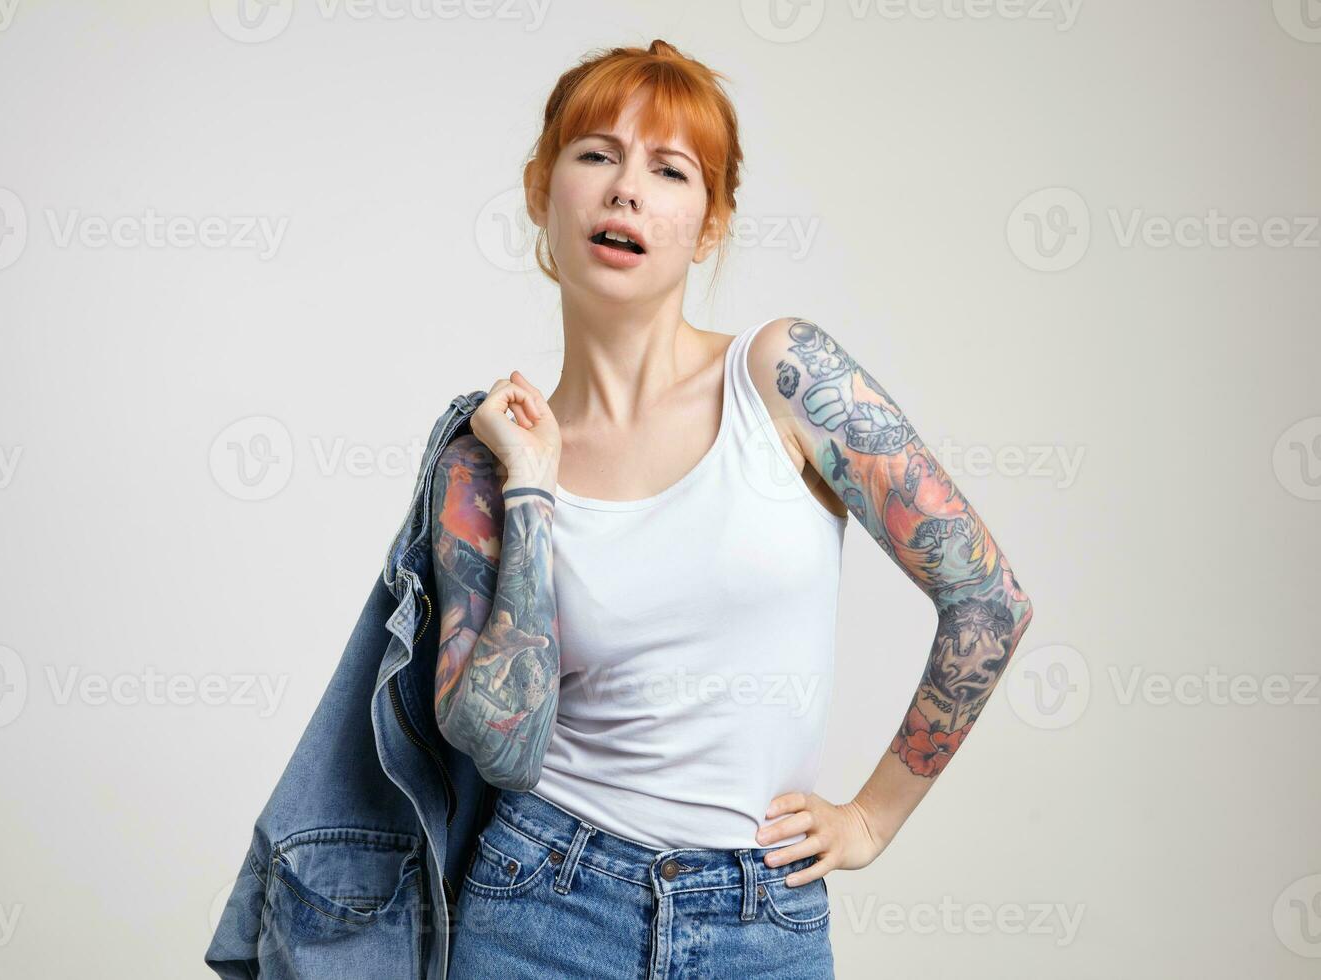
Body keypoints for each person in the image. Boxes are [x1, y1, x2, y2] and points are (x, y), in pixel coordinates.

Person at [427, 39, 1034, 978]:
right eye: (596, 154)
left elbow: (988, 599)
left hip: (761, 922)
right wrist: (535, 488)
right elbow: (501, 747)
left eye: (670, 170)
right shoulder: (487, 457)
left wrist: (871, 818)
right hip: (539, 909)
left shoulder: (784, 377)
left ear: (708, 225)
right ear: (544, 188)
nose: (627, 190)